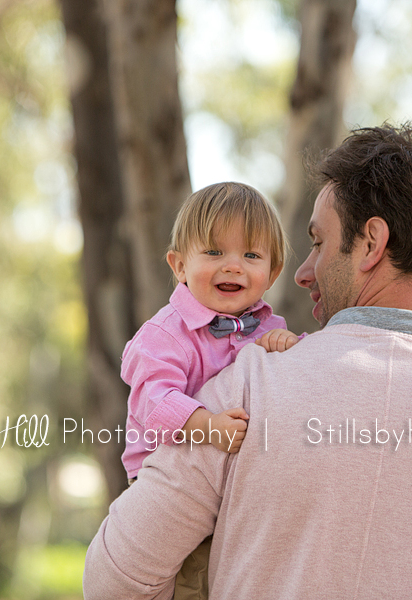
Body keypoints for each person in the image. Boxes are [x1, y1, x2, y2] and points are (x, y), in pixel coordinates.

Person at [84, 122, 412, 599]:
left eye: (318, 243)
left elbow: (115, 579)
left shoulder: (245, 390)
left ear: (371, 243)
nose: (303, 272)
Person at [119, 181, 299, 599]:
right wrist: (208, 425)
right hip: (168, 479)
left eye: (251, 255)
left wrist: (288, 348)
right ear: (179, 266)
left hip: (237, 486)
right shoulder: (163, 335)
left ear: (272, 273)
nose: (233, 266)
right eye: (215, 252)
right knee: (192, 581)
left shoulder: (269, 329)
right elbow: (154, 403)